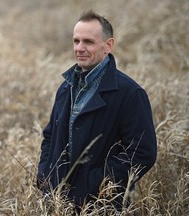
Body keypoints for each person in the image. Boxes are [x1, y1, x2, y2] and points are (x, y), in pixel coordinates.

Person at [37, 10, 157, 209]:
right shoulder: (66, 87)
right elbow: (50, 137)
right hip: (58, 204)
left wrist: (96, 186)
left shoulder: (129, 93)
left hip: (103, 206)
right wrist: (45, 177)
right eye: (76, 41)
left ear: (108, 45)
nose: (80, 48)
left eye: (88, 42)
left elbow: (143, 153)